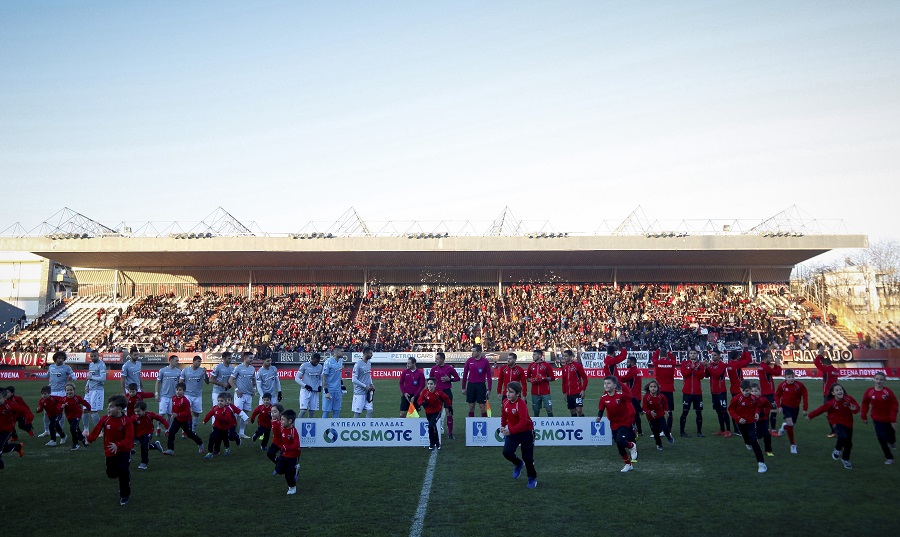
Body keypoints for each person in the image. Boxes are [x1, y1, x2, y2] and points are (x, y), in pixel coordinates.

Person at [85, 394, 134, 505]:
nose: (108, 408)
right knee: (111, 474)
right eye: (108, 406)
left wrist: (119, 445)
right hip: (110, 451)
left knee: (123, 471)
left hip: (124, 450)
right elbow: (97, 429)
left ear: (120, 409)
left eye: (111, 406)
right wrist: (89, 440)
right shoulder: (105, 419)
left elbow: (130, 439)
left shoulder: (126, 421)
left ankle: (124, 495)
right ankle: (124, 476)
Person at [807, 383, 860, 469]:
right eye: (837, 390)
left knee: (848, 444)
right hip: (836, 422)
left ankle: (845, 460)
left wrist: (855, 409)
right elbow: (821, 409)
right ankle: (837, 449)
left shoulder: (849, 399)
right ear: (833, 393)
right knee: (842, 436)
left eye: (841, 389)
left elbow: (856, 408)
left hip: (849, 424)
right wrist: (810, 416)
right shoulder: (831, 403)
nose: (840, 391)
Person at [596, 376, 638, 473]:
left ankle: (632, 446)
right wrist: (599, 417)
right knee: (619, 446)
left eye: (608, 383)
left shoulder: (621, 395)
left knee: (620, 440)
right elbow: (601, 409)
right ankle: (628, 465)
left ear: (615, 385)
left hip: (624, 422)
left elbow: (633, 399)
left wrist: (638, 410)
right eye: (605, 383)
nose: (606, 385)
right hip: (613, 424)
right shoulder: (603, 398)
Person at [500, 381, 537, 488]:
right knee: (507, 452)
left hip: (526, 433)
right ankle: (518, 464)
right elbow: (504, 415)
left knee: (528, 458)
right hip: (513, 432)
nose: (508, 394)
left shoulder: (521, 404)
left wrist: (510, 431)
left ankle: (532, 478)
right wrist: (503, 426)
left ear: (518, 394)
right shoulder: (506, 402)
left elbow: (523, 423)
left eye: (511, 392)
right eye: (507, 391)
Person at [32, 351, 75, 437]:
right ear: (55, 359)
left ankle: (60, 430)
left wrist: (72, 378)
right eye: (59, 358)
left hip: (61, 392)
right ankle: (46, 430)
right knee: (46, 412)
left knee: (61, 412)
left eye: (62, 358)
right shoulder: (51, 367)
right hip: (51, 392)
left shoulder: (67, 368)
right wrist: (36, 375)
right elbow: (46, 375)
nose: (61, 360)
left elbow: (74, 376)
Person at [728, 380, 767, 473]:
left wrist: (757, 413)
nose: (747, 393)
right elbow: (731, 410)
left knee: (754, 440)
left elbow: (757, 406)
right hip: (741, 423)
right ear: (740, 389)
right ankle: (747, 442)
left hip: (751, 422)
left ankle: (761, 463)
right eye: (744, 390)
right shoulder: (736, 399)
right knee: (747, 439)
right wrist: (738, 418)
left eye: (748, 390)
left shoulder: (754, 398)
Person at [861, 372, 898, 464]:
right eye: (877, 379)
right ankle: (889, 457)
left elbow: (894, 404)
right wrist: (864, 415)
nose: (879, 381)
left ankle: (892, 442)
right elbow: (865, 403)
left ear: (884, 380)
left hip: (889, 419)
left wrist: (893, 419)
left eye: (881, 379)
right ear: (874, 379)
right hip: (877, 419)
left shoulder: (887, 392)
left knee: (891, 436)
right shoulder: (869, 391)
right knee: (881, 438)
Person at [162, 383, 204, 456]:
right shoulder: (174, 398)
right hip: (178, 420)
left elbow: (187, 413)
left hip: (186, 421)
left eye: (180, 390)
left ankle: (200, 443)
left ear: (184, 391)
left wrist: (177, 414)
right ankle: (170, 449)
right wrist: (173, 414)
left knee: (190, 434)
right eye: (177, 390)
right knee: (171, 432)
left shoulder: (185, 401)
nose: (178, 392)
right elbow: (174, 408)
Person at [774, 369, 809, 454]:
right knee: (790, 424)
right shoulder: (782, 385)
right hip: (785, 407)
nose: (791, 379)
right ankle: (793, 445)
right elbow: (777, 395)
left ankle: (783, 427)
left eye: (792, 376)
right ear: (785, 377)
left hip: (795, 408)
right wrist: (779, 406)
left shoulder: (799, 385)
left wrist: (805, 408)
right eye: (789, 377)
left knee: (791, 426)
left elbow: (805, 394)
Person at [429, 351, 460, 438]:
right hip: (436, 393)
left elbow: (457, 378)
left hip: (447, 392)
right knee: (435, 412)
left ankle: (450, 433)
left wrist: (449, 379)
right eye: (436, 359)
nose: (436, 360)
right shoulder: (434, 369)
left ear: (442, 359)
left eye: (437, 359)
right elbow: (430, 380)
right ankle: (435, 430)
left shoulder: (449, 368)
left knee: (448, 413)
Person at [132, 401, 168, 470]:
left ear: (144, 410)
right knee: (143, 445)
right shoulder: (134, 418)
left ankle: (144, 463)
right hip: (138, 435)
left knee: (144, 445)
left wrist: (165, 423)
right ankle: (155, 446)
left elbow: (159, 418)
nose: (136, 413)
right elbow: (127, 424)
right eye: (135, 412)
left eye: (138, 411)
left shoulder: (149, 415)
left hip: (148, 433)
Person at [814, 351, 842, 438]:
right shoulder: (835, 370)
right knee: (835, 411)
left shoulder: (826, 369)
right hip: (836, 393)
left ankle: (834, 431)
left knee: (827, 413)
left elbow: (816, 362)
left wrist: (820, 355)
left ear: (825, 364)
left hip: (828, 394)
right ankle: (839, 428)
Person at [418, 377, 452, 450]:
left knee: (431, 426)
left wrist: (449, 406)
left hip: (437, 412)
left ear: (435, 385)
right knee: (433, 427)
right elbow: (419, 400)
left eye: (431, 384)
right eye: (428, 384)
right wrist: (422, 403)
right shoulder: (424, 392)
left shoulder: (438, 392)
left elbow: (446, 398)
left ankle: (431, 443)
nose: (429, 386)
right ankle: (437, 443)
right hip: (428, 413)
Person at [229, 351, 258, 437]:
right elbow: (230, 380)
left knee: (246, 412)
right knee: (237, 413)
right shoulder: (238, 368)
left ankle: (241, 432)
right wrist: (236, 389)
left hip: (249, 395)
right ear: (245, 358)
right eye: (250, 358)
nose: (252, 360)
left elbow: (253, 380)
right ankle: (232, 431)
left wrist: (254, 389)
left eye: (252, 358)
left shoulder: (252, 369)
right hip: (240, 395)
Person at [679, 349, 706, 437]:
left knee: (699, 412)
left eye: (694, 353)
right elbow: (684, 374)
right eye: (691, 353)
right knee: (685, 412)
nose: (693, 354)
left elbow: (702, 376)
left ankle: (699, 431)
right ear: (688, 355)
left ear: (697, 355)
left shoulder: (700, 365)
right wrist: (691, 368)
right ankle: (682, 432)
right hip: (687, 392)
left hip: (697, 393)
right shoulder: (684, 364)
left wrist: (697, 370)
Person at [726, 348, 753, 434]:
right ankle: (739, 429)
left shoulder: (731, 364)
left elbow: (741, 360)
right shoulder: (737, 365)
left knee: (735, 409)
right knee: (741, 409)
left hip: (733, 389)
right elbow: (748, 360)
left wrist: (744, 352)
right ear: (737, 357)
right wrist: (746, 350)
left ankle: (737, 428)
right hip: (739, 390)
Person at [706, 349, 731, 438]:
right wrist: (706, 367)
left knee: (724, 411)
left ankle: (728, 430)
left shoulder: (722, 365)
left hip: (721, 392)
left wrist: (709, 367)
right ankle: (722, 429)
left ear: (719, 356)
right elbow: (706, 375)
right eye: (712, 355)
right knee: (718, 411)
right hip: (714, 392)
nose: (713, 357)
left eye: (715, 355)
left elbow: (716, 375)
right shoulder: (712, 365)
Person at [651, 348, 677, 433]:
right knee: (669, 411)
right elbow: (673, 359)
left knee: (659, 410)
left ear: (660, 355)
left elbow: (653, 358)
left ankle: (660, 429)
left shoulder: (657, 363)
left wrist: (657, 350)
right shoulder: (671, 363)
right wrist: (669, 353)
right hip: (669, 390)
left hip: (660, 390)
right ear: (666, 355)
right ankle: (668, 430)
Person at [462, 344, 492, 418]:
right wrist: (463, 387)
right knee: (471, 407)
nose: (472, 353)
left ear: (479, 352)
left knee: (482, 407)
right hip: (471, 385)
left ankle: (484, 424)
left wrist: (489, 388)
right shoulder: (469, 361)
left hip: (481, 385)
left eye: (474, 351)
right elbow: (465, 374)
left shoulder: (485, 361)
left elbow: (489, 376)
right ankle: (471, 424)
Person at [180, 355, 209, 432]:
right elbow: (181, 382)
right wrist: (181, 393)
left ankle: (193, 429)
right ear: (193, 361)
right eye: (198, 362)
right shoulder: (185, 370)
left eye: (200, 362)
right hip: (187, 395)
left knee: (196, 413)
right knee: (186, 412)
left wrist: (205, 374)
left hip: (198, 395)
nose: (199, 363)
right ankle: (184, 431)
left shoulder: (201, 370)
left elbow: (207, 382)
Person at [275, 409, 301, 495]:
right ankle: (293, 470)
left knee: (288, 475)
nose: (280, 421)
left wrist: (287, 447)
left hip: (293, 456)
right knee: (279, 470)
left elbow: (296, 444)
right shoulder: (282, 428)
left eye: (282, 419)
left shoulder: (294, 431)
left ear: (290, 421)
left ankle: (292, 487)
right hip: (284, 454)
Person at [155, 355, 182, 437]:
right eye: (176, 360)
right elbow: (158, 382)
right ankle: (159, 427)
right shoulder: (163, 370)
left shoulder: (178, 371)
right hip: (164, 396)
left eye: (178, 360)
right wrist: (156, 393)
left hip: (174, 397)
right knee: (161, 414)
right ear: (171, 361)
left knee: (171, 415)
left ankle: (167, 429)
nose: (177, 362)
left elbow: (180, 384)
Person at [642, 380, 673, 450]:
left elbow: (665, 401)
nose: (653, 388)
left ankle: (668, 436)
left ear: (657, 388)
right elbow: (644, 408)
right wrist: (649, 412)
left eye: (654, 387)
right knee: (655, 432)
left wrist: (665, 410)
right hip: (651, 417)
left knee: (665, 427)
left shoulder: (660, 396)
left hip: (660, 415)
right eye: (651, 387)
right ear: (649, 388)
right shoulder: (646, 397)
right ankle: (659, 444)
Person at [0, 388, 27, 468]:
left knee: (0, 446)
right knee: (4, 448)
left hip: (7, 430)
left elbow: (21, 410)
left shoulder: (9, 405)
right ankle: (18, 447)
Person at [203, 393, 236, 458]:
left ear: (225, 402)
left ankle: (226, 447)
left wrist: (220, 417)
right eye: (218, 401)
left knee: (224, 439)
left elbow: (228, 419)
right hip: (216, 427)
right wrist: (205, 420)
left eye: (221, 401)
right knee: (212, 438)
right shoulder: (215, 408)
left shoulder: (227, 410)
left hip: (224, 429)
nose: (220, 402)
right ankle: (210, 452)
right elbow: (210, 414)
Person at [83, 350, 108, 436]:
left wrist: (92, 377)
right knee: (85, 410)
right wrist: (87, 385)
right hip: (89, 390)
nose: (93, 358)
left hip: (97, 390)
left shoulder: (101, 365)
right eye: (92, 356)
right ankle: (86, 430)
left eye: (95, 356)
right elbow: (89, 377)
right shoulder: (91, 364)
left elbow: (103, 378)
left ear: (98, 356)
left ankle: (100, 431)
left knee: (93, 410)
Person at [616, 356, 642, 434]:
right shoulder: (638, 371)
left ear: (631, 362)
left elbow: (622, 379)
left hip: (632, 396)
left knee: (631, 414)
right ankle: (640, 431)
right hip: (638, 396)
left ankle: (631, 430)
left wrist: (615, 372)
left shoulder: (632, 371)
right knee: (636, 414)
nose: (626, 363)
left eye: (628, 362)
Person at [758, 351, 783, 432]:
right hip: (769, 392)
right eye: (769, 358)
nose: (770, 359)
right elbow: (777, 373)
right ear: (765, 358)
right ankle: (772, 430)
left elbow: (772, 372)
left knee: (766, 411)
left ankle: (766, 428)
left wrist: (775, 365)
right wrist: (778, 364)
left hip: (764, 392)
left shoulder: (762, 366)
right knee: (773, 411)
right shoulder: (765, 367)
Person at [61, 383, 91, 450]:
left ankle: (75, 443)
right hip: (69, 417)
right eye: (67, 390)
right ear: (65, 391)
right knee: (76, 428)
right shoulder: (63, 399)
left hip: (77, 415)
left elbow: (85, 402)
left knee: (73, 428)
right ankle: (83, 439)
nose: (69, 392)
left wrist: (89, 408)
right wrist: (61, 407)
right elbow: (59, 406)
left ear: (74, 390)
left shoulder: (77, 398)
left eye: (71, 390)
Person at [526, 349, 554, 417]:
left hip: (545, 392)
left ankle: (552, 426)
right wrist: (532, 380)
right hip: (535, 393)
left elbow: (552, 378)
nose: (533, 356)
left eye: (534, 355)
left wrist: (543, 378)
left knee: (549, 409)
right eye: (533, 355)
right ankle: (536, 426)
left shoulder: (546, 365)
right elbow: (528, 378)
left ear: (539, 355)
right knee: (536, 410)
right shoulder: (531, 365)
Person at [561, 349, 588, 417]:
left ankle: (583, 424)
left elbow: (585, 378)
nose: (564, 358)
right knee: (572, 411)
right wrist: (564, 392)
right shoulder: (564, 367)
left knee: (579, 410)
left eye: (566, 356)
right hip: (569, 393)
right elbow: (563, 381)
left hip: (577, 392)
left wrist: (583, 390)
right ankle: (576, 426)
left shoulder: (577, 366)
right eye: (564, 356)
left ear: (570, 356)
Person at [295, 353, 324, 418]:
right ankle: (298, 425)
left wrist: (320, 385)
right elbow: (296, 378)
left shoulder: (320, 366)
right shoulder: (304, 365)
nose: (317, 363)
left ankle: (310, 426)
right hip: (305, 391)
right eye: (316, 361)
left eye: (318, 362)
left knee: (312, 412)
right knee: (303, 411)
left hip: (314, 391)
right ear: (312, 359)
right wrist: (305, 386)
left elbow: (320, 378)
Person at [750, 383, 774, 457]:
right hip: (752, 421)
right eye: (753, 391)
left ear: (760, 391)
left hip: (762, 420)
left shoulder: (763, 399)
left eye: (756, 391)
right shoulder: (748, 400)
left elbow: (768, 406)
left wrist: (764, 413)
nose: (754, 393)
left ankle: (768, 450)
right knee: (755, 436)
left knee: (766, 435)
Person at [321, 348, 345, 418]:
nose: (343, 353)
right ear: (336, 352)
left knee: (337, 411)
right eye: (341, 351)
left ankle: (334, 428)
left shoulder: (340, 361)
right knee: (326, 411)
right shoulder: (328, 362)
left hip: (337, 390)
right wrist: (326, 392)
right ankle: (323, 428)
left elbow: (339, 375)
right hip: (330, 390)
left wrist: (342, 385)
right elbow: (324, 377)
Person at [209, 351, 235, 418]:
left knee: (226, 410)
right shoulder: (218, 367)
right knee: (216, 410)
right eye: (229, 358)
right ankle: (214, 427)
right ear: (223, 358)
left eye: (231, 358)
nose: (230, 360)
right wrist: (222, 384)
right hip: (217, 392)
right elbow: (211, 379)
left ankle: (224, 427)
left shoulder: (232, 368)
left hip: (226, 393)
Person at [352, 346, 375, 418]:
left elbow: (369, 375)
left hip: (368, 392)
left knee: (370, 410)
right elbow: (354, 379)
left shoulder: (369, 363)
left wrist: (371, 384)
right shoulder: (358, 364)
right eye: (370, 353)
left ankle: (367, 427)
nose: (372, 355)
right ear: (366, 353)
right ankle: (353, 428)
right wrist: (365, 386)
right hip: (359, 393)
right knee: (357, 414)